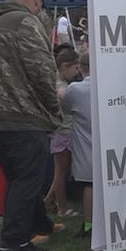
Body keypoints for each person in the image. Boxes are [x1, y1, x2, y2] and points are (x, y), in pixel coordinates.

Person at [0, 0, 62, 251]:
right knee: (28, 182)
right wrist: (54, 107)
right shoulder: (25, 22)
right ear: (37, 1)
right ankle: (7, 248)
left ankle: (24, 239)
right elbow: (42, 69)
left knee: (18, 180)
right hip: (24, 116)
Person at [43, 46, 80, 217]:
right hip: (62, 132)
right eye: (75, 68)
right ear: (65, 66)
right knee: (61, 171)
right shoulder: (60, 87)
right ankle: (62, 207)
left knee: (63, 169)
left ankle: (49, 200)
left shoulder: (60, 82)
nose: (77, 71)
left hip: (63, 131)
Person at [61, 52, 94, 238]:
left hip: (86, 140)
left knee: (89, 184)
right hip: (107, 136)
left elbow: (66, 108)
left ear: (80, 68)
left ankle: (89, 225)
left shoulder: (75, 89)